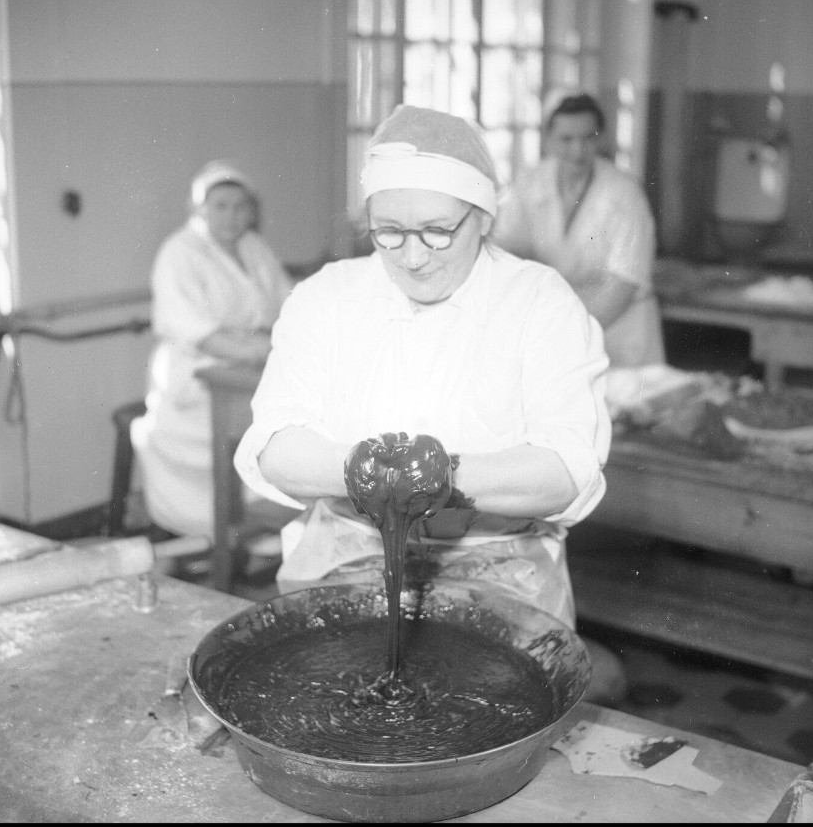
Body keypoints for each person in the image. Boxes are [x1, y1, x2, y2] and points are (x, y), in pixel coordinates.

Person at [233, 106, 624, 703]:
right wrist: (374, 470)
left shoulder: (539, 304)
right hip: (346, 558)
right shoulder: (326, 299)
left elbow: (566, 470)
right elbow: (274, 447)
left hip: (502, 570)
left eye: (439, 231)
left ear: (485, 217)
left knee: (488, 716)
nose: (412, 256)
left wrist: (433, 475)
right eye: (388, 231)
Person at [131, 160, 294, 540]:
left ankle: (260, 526)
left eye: (241, 207)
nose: (232, 216)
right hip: (195, 372)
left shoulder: (254, 247)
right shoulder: (179, 252)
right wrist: (253, 350)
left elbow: (288, 301)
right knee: (243, 435)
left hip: (249, 362)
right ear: (199, 209)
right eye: (220, 206)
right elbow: (195, 330)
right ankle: (225, 532)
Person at [493, 90, 665, 370]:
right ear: (548, 140)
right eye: (566, 139)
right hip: (557, 328)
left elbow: (623, 285)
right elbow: (504, 246)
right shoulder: (532, 181)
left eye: (588, 138)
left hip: (617, 333)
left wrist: (564, 330)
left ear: (602, 138)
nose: (578, 150)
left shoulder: (625, 194)